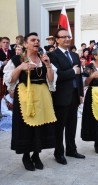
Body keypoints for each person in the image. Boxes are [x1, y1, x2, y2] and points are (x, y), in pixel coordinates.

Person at [3, 32, 57, 171]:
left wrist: (49, 66)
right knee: (26, 126)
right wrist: (20, 67)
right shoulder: (17, 59)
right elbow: (10, 80)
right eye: (32, 40)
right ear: (25, 44)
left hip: (42, 96)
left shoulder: (44, 58)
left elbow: (51, 80)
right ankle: (26, 155)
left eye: (38, 40)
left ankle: (36, 154)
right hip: (25, 96)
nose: (36, 42)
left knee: (40, 125)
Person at [50, 28, 85, 165]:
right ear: (57, 40)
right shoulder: (53, 55)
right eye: (63, 37)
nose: (67, 39)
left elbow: (79, 76)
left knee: (72, 125)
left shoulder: (74, 55)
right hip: (61, 96)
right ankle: (58, 152)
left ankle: (71, 149)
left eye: (68, 36)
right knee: (59, 127)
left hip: (74, 96)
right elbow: (56, 76)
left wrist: (81, 93)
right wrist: (72, 71)